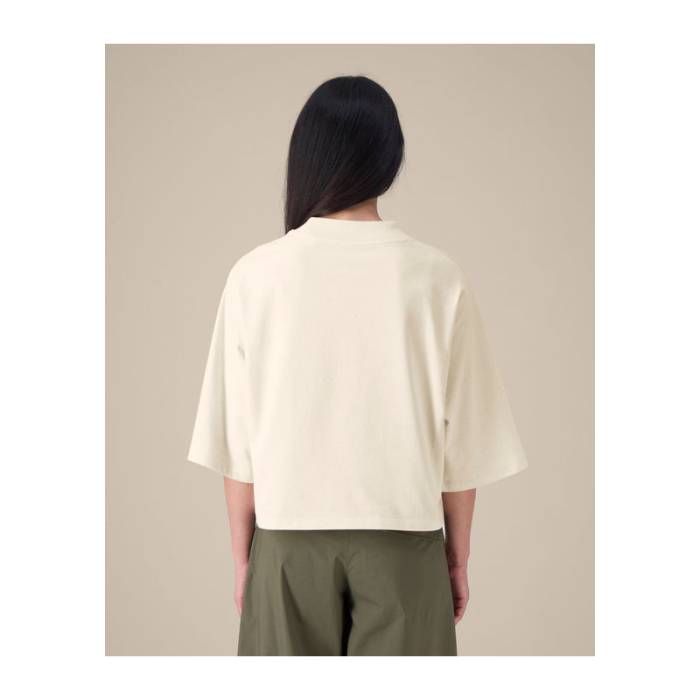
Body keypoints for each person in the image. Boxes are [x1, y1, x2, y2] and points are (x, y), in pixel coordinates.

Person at [187, 75, 527, 656]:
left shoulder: (255, 275)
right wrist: (456, 557)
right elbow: (463, 445)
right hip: (405, 541)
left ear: (306, 156)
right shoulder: (437, 277)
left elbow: (237, 441)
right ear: (390, 159)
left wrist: (245, 559)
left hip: (286, 542)